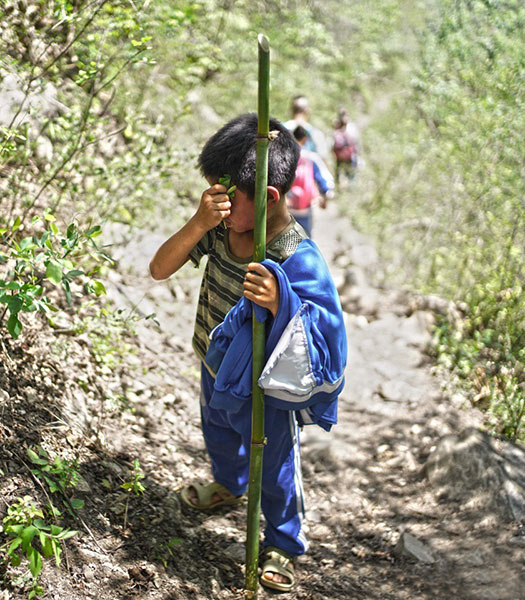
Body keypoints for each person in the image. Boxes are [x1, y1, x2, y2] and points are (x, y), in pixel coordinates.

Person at [149, 113, 346, 592]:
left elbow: (325, 328)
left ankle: (283, 541)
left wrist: (283, 301)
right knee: (217, 430)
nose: (217, 199)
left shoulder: (295, 254)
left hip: (264, 387)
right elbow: (160, 268)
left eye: (227, 191)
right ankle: (229, 484)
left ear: (269, 198)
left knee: (275, 463)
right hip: (213, 364)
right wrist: (198, 221)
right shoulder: (217, 229)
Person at [287, 125, 333, 236]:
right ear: (304, 140)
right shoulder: (311, 158)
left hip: (286, 209)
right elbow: (326, 183)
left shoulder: (285, 157)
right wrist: (325, 199)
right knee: (305, 241)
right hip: (305, 209)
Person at [284, 95, 329, 160]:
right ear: (307, 111)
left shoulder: (281, 130)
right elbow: (322, 157)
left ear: (291, 111)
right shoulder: (315, 133)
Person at [332, 107, 360, 186]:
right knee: (351, 174)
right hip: (349, 155)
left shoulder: (336, 126)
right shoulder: (351, 126)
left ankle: (338, 187)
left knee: (339, 173)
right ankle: (351, 188)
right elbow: (356, 141)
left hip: (339, 156)